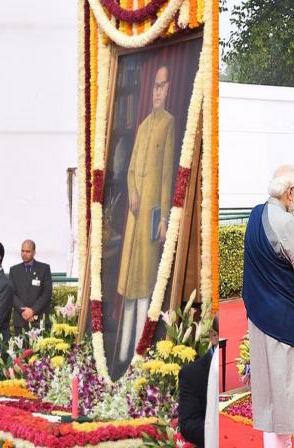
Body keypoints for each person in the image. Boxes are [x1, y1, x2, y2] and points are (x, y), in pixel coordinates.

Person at [242, 166, 294, 448]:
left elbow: (274, 263)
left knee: (270, 398)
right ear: (290, 193)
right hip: (283, 323)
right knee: (284, 396)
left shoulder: (255, 215)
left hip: (259, 318)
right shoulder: (288, 224)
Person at [115, 64, 176, 366]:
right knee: (127, 287)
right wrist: (133, 192)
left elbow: (167, 177)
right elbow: (129, 170)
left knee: (143, 288)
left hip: (152, 218)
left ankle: (137, 353)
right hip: (134, 218)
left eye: (163, 86)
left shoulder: (169, 124)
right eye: (155, 86)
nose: (157, 91)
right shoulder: (141, 126)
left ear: (169, 90)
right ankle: (123, 352)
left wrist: (164, 217)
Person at [178, 315, 219, 448]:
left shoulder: (245, 361)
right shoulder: (192, 374)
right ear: (214, 336)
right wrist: (218, 431)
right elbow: (189, 424)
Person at [9, 239, 52, 334]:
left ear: (34, 252)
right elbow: (12, 294)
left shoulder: (44, 268)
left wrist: (32, 311)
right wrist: (24, 312)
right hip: (20, 321)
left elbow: (47, 293)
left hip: (38, 320)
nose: (24, 254)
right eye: (22, 251)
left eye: (27, 251)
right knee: (21, 349)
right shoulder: (14, 270)